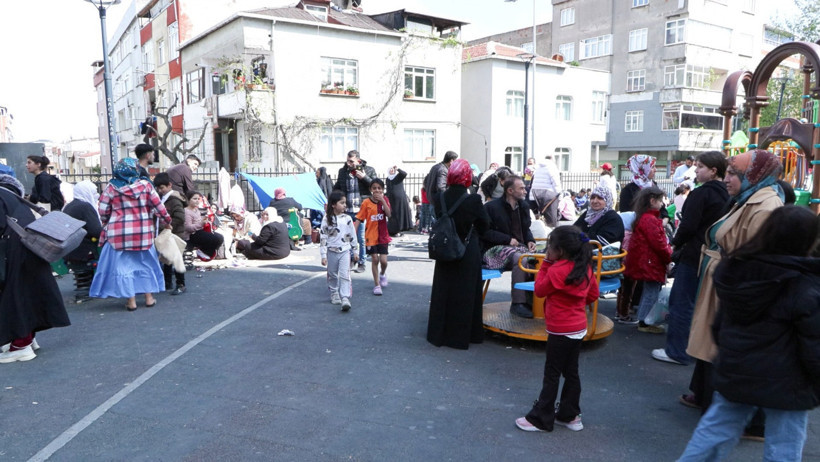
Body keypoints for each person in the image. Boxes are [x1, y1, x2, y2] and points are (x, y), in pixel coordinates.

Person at [677, 206, 820, 462]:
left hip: (737, 367)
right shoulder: (805, 283)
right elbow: (813, 342)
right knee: (784, 446)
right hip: (788, 380)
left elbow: (721, 323)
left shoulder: (737, 270)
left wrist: (726, 356)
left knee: (714, 432)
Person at [683, 149, 784, 414]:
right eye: (727, 172)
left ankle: (722, 409)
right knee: (711, 340)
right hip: (723, 280)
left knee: (719, 343)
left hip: (732, 286)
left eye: (734, 173)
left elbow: (758, 258)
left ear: (754, 175)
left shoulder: (765, 205)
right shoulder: (747, 197)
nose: (726, 178)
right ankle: (707, 398)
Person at [515, 226, 599, 432]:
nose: (547, 250)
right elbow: (593, 294)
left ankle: (541, 418)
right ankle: (570, 416)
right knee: (571, 372)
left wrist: (546, 265)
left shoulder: (556, 270)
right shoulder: (585, 267)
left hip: (560, 329)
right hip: (578, 327)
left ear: (559, 250)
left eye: (550, 247)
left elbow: (540, 289)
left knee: (552, 373)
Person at [651, 151, 728, 366]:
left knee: (681, 302)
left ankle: (677, 351)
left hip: (695, 253)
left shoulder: (701, 194)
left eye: (701, 166)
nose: (696, 170)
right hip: (716, 255)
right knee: (705, 304)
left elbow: (688, 226)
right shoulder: (729, 194)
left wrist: (675, 244)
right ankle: (698, 347)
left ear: (714, 171)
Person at [0, 174, 70, 363]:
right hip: (30, 249)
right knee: (27, 294)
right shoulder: (14, 197)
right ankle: (27, 340)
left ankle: (21, 345)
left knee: (15, 297)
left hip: (15, 253)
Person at [89, 158, 172, 311]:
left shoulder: (111, 188)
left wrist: (107, 221)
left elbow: (102, 210)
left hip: (118, 235)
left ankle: (131, 301)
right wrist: (167, 222)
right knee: (146, 265)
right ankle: (149, 298)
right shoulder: (146, 186)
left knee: (124, 268)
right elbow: (159, 208)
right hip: (143, 234)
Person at [427, 159, 491, 349]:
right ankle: (463, 335)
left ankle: (439, 334)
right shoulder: (473, 200)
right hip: (467, 249)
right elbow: (484, 225)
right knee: (465, 293)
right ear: (467, 178)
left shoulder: (440, 198)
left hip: (446, 247)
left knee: (443, 291)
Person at [482, 176, 537, 319]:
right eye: (522, 188)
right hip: (494, 250)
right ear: (510, 190)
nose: (525, 191)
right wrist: (507, 239)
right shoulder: (491, 207)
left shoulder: (523, 206)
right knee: (521, 259)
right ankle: (518, 304)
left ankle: (533, 302)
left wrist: (530, 240)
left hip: (518, 248)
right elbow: (484, 232)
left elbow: (526, 229)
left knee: (539, 259)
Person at [621, 186, 672, 332]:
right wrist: (669, 257)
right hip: (651, 262)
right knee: (652, 291)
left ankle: (644, 319)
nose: (662, 203)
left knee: (649, 291)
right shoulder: (651, 220)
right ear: (652, 201)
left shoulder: (643, 217)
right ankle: (645, 322)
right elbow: (659, 243)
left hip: (647, 260)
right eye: (660, 200)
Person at [334, 150, 377, 273]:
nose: (349, 164)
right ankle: (352, 260)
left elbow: (376, 187)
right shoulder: (343, 172)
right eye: (347, 161)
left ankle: (362, 262)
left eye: (351, 161)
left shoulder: (368, 170)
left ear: (358, 160)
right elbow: (338, 187)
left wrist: (364, 177)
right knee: (347, 237)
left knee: (361, 238)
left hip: (361, 210)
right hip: (347, 210)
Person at [62, 180, 103, 303]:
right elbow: (96, 230)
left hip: (70, 250)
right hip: (84, 250)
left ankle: (83, 287)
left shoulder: (69, 206)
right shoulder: (85, 207)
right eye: (94, 192)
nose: (97, 195)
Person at [320, 190, 359, 312]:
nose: (344, 205)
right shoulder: (327, 219)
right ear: (333, 204)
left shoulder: (347, 218)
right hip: (331, 251)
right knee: (332, 274)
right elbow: (323, 237)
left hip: (345, 251)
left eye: (345, 203)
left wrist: (355, 250)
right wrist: (323, 255)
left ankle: (345, 297)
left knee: (345, 274)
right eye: (341, 203)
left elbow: (352, 234)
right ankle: (334, 292)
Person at [354, 178, 392, 296]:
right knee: (375, 259)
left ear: (382, 190)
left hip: (383, 235)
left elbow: (389, 214)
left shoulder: (384, 200)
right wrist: (353, 233)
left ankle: (382, 274)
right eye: (374, 188)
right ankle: (377, 285)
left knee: (383, 261)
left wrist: (383, 202)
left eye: (379, 188)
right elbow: (359, 218)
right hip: (370, 235)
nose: (377, 191)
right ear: (371, 189)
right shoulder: (366, 203)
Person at [153, 172, 187, 295]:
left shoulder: (174, 200)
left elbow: (180, 217)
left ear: (169, 185)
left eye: (162, 187)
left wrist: (168, 226)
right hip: (166, 234)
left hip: (174, 234)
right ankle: (167, 283)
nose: (159, 190)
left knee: (177, 260)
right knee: (166, 259)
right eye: (158, 188)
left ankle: (180, 284)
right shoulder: (163, 199)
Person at [184, 190, 225, 260]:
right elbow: (188, 227)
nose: (197, 201)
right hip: (191, 235)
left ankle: (203, 251)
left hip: (199, 231)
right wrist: (201, 223)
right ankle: (203, 252)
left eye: (198, 199)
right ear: (188, 200)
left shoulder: (197, 210)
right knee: (215, 239)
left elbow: (199, 222)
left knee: (220, 237)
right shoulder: (186, 211)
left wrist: (205, 221)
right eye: (194, 199)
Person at [528, 155, 563, 227]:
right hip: (548, 196)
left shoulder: (538, 168)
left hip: (534, 195)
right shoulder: (552, 168)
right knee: (550, 220)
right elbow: (556, 184)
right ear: (553, 160)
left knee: (534, 218)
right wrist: (560, 197)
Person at [385, 165, 413, 237]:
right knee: (392, 214)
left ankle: (400, 229)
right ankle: (393, 230)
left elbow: (404, 174)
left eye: (392, 169)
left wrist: (397, 169)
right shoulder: (388, 179)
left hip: (400, 199)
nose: (391, 170)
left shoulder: (398, 177)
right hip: (391, 199)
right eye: (390, 169)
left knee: (399, 214)